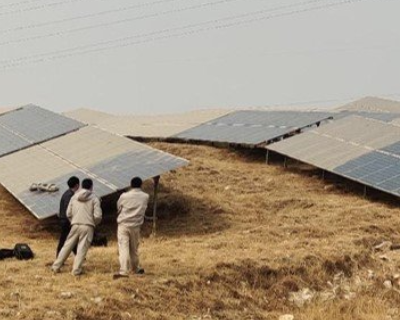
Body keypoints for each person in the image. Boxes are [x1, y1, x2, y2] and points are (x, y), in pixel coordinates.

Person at [52, 178, 102, 276]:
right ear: (91, 187)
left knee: (67, 246)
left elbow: (68, 213)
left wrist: (73, 221)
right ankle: (76, 270)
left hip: (75, 225)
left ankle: (56, 266)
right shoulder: (94, 198)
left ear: (82, 186)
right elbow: (98, 216)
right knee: (82, 248)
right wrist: (93, 223)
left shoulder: (74, 197)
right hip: (87, 226)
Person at [113, 177, 149, 279]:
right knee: (134, 249)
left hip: (124, 224)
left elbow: (118, 207)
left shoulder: (124, 196)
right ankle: (135, 268)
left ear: (130, 184)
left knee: (123, 248)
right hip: (136, 226)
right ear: (141, 185)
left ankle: (124, 271)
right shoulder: (145, 196)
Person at [56, 176, 80, 257]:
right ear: (77, 185)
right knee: (64, 240)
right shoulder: (69, 196)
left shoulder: (68, 193)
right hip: (66, 221)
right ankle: (58, 257)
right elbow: (68, 211)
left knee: (71, 239)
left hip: (65, 220)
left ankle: (78, 255)